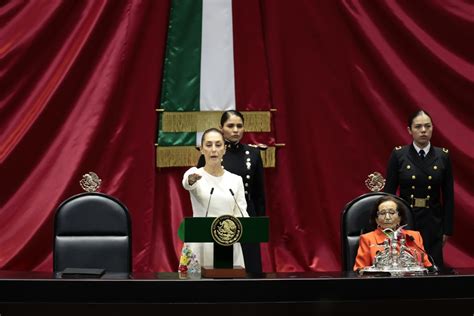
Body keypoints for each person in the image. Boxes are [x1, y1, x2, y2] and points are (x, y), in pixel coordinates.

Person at [197, 110, 266, 273]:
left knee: (250, 266)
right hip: (218, 215)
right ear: (221, 128)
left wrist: (259, 223)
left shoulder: (253, 154)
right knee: (220, 266)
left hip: (245, 214)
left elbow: (258, 193)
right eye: (230, 126)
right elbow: (201, 189)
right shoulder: (212, 153)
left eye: (239, 126)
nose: (235, 130)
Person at [384, 109, 454, 270]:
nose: (423, 130)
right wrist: (390, 225)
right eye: (418, 127)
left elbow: (449, 196)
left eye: (427, 126)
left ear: (432, 128)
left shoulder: (442, 156)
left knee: (432, 266)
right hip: (406, 220)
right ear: (409, 130)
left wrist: (447, 229)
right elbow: (389, 194)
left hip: (433, 220)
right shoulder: (399, 155)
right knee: (406, 265)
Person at [181, 128, 249, 272]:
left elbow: (242, 214)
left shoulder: (235, 180)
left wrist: (247, 227)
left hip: (228, 243)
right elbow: (187, 183)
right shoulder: (194, 174)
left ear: (224, 149)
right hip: (200, 243)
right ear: (201, 149)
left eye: (218, 145)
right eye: (209, 145)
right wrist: (191, 180)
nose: (213, 150)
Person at [354, 196, 433, 272]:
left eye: (392, 212)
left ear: (399, 218)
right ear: (377, 220)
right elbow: (361, 270)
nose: (387, 217)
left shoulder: (414, 236)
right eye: (382, 213)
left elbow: (426, 266)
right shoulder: (367, 239)